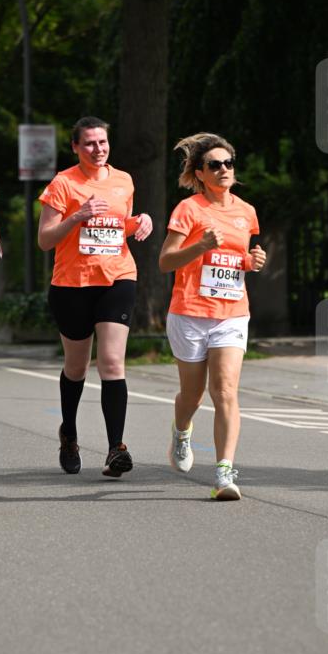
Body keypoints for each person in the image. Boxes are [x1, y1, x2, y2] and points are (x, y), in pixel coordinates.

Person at [37, 116, 152, 477]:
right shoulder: (63, 184)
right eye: (89, 143)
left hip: (118, 277)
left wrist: (140, 222)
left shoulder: (123, 181)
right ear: (75, 147)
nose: (98, 149)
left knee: (113, 363)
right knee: (76, 366)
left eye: (102, 142)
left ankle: (115, 448)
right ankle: (69, 434)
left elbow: (120, 225)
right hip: (72, 284)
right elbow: (45, 239)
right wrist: (77, 216)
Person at [158, 133, 266, 500]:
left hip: (231, 314)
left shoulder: (246, 212)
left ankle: (223, 473)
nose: (223, 170)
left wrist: (252, 263)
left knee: (226, 391)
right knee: (193, 395)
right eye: (214, 165)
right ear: (200, 173)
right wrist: (199, 245)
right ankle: (182, 430)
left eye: (228, 164)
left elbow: (240, 258)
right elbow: (165, 261)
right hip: (189, 312)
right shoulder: (188, 210)